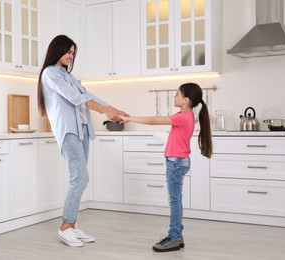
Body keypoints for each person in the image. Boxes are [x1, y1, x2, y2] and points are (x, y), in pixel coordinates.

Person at [37, 35, 128, 247]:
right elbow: (76, 98)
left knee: (80, 178)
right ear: (57, 50)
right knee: (80, 177)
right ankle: (65, 227)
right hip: (69, 131)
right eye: (68, 52)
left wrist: (112, 109)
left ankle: (72, 225)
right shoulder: (50, 73)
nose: (71, 56)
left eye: (72, 53)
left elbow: (87, 94)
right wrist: (106, 110)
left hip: (82, 129)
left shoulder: (68, 76)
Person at [119, 82, 212, 252]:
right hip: (178, 161)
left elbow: (155, 120)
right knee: (176, 199)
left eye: (177, 94)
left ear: (186, 100)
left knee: (174, 200)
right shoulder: (184, 115)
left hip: (176, 163)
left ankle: (174, 237)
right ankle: (177, 234)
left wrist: (130, 118)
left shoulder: (183, 117)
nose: (174, 97)